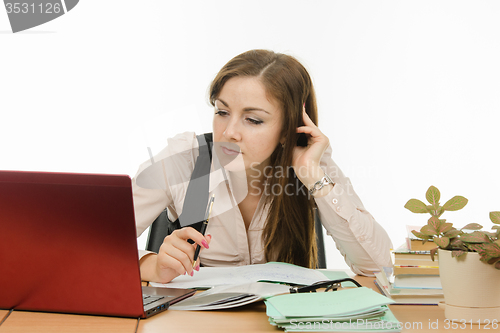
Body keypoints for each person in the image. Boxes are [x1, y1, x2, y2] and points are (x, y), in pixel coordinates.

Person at [133, 49, 393, 284]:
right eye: (222, 112)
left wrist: (313, 176)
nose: (229, 132)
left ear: (287, 128)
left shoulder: (311, 163)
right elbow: (94, 246)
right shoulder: (186, 159)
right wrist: (153, 266)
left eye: (253, 120)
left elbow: (379, 267)